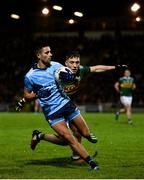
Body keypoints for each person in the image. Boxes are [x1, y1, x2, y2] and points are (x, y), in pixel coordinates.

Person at [16, 50, 127, 161]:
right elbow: (45, 86)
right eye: (72, 62)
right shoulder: (59, 72)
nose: (74, 65)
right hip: (54, 106)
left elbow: (96, 68)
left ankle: (48, 140)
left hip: (67, 102)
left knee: (75, 134)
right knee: (68, 138)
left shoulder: (80, 70)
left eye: (77, 62)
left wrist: (115, 67)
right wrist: (22, 101)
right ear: (66, 64)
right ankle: (75, 154)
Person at [18, 38, 100, 171]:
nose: (51, 54)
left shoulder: (56, 65)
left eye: (51, 52)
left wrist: (72, 79)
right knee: (69, 139)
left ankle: (40, 136)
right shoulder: (30, 76)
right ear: (39, 55)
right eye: (47, 52)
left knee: (84, 133)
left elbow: (70, 75)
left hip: (67, 104)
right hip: (52, 112)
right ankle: (92, 163)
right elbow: (27, 95)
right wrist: (37, 94)